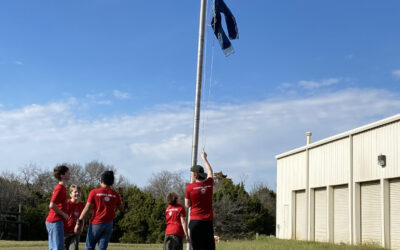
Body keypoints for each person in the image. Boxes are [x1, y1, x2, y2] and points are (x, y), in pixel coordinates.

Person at [75, 171, 123, 250]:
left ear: (101, 181)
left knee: (89, 247)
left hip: (96, 223)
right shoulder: (115, 194)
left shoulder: (94, 192)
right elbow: (121, 208)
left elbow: (87, 208)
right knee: (102, 248)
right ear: (112, 182)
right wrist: (121, 195)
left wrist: (79, 221)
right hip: (108, 224)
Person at [185, 150, 215, 250]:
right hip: (207, 222)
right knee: (208, 247)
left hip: (195, 222)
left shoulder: (189, 187)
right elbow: (210, 172)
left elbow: (187, 204)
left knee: (197, 247)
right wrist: (204, 158)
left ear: (196, 175)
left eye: (192, 173)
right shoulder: (209, 184)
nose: (191, 175)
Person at [46, 165, 70, 250]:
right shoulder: (59, 188)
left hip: (55, 221)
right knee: (58, 248)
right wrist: (64, 214)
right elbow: (52, 205)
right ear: (62, 175)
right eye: (67, 172)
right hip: (55, 221)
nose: (69, 174)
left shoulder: (62, 188)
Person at [64, 185, 85, 250]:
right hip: (65, 231)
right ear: (70, 194)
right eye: (75, 192)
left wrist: (81, 227)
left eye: (79, 192)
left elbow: (83, 218)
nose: (77, 193)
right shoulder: (66, 203)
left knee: (73, 248)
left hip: (75, 232)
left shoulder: (82, 205)